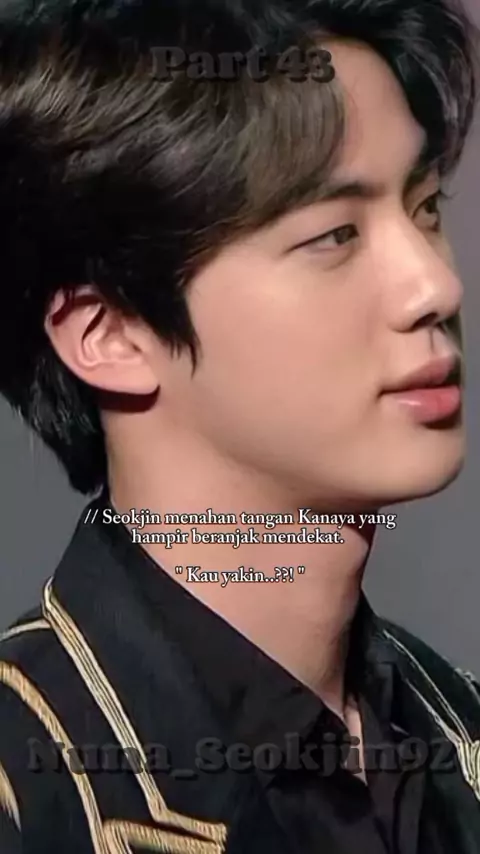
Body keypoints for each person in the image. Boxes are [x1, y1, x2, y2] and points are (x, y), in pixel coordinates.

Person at [0, 0, 478, 850]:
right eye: (334, 235)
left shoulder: (457, 733)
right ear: (109, 335)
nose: (434, 287)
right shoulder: (29, 784)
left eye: (426, 207)